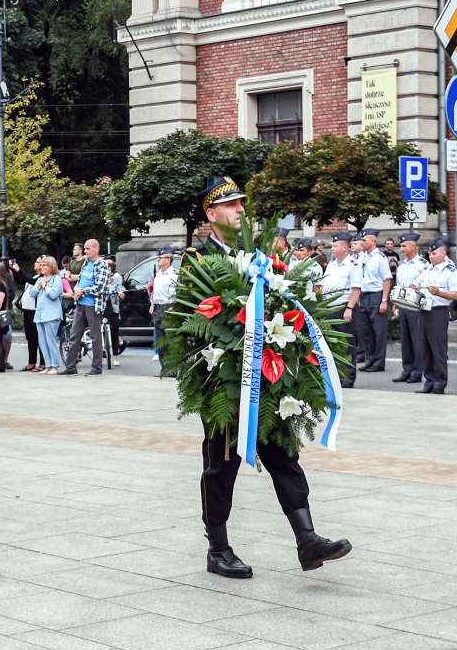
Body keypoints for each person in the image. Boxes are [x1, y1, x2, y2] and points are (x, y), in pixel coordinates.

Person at [191, 176, 350, 578]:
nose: (241, 210)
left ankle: (307, 540)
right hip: (224, 384)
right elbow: (189, 324)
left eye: (242, 203)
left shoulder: (259, 256)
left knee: (284, 456)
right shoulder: (197, 258)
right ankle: (218, 548)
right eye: (231, 205)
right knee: (220, 468)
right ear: (211, 214)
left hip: (267, 379)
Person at [413, 237, 457, 394]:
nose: (431, 256)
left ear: (443, 253)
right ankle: (429, 382)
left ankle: (440, 383)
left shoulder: (449, 270)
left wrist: (439, 293)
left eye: (434, 253)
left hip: (438, 311)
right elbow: (417, 284)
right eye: (430, 254)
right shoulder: (428, 269)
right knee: (424, 349)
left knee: (438, 349)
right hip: (424, 310)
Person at [60, 239, 109, 376]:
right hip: (81, 304)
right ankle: (70, 366)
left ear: (96, 249)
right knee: (74, 335)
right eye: (85, 249)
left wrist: (83, 291)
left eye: (88, 249)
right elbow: (81, 280)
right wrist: (76, 291)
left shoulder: (102, 264)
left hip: (93, 305)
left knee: (95, 337)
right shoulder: (86, 263)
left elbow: (101, 287)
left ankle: (97, 367)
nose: (85, 251)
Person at [321, 233, 361, 388]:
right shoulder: (331, 265)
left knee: (347, 344)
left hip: (344, 307)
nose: (332, 248)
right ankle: (336, 375)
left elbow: (356, 289)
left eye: (335, 246)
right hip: (329, 308)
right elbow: (324, 287)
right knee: (332, 344)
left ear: (345, 247)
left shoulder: (353, 265)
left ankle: (349, 377)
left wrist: (349, 308)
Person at [392, 233, 429, 384]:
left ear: (413, 246)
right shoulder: (403, 265)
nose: (401, 249)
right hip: (403, 305)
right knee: (405, 339)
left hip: (416, 306)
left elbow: (424, 285)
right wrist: (395, 303)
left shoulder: (422, 264)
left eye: (404, 246)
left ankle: (417, 372)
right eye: (401, 246)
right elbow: (399, 286)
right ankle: (407, 369)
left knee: (417, 339)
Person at [355, 228, 392, 372]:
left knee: (378, 331)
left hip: (376, 296)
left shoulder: (380, 258)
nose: (362, 242)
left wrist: (384, 300)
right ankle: (370, 360)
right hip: (364, 296)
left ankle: (379, 362)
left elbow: (387, 279)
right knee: (367, 331)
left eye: (364, 240)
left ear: (373, 241)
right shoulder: (363, 257)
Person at [28, 256, 64, 374]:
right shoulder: (40, 279)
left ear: (51, 266)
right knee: (42, 341)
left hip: (52, 314)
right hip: (40, 315)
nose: (41, 267)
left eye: (44, 265)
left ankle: (56, 365)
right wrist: (39, 285)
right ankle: (48, 365)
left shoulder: (57, 279)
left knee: (51, 340)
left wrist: (45, 285)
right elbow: (32, 293)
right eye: (41, 265)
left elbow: (54, 294)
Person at [10, 258, 44, 371]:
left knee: (38, 337)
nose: (35, 263)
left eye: (38, 262)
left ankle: (43, 363)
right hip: (28, 310)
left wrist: (19, 270)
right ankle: (31, 361)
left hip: (36, 310)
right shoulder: (35, 276)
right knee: (30, 337)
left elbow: (28, 279)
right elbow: (21, 280)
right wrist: (15, 271)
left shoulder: (42, 278)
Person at [150, 247, 179, 369]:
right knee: (160, 340)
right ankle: (164, 368)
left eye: (160, 257)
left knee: (170, 340)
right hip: (158, 307)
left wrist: (175, 306)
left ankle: (173, 368)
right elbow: (155, 291)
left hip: (169, 307)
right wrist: (152, 304)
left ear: (168, 259)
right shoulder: (158, 275)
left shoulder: (175, 274)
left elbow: (178, 292)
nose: (158, 259)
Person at [105, 259, 126, 367]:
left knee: (114, 333)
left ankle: (115, 357)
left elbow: (121, 293)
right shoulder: (100, 281)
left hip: (113, 309)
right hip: (102, 309)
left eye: (108, 270)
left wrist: (120, 295)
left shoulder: (115, 281)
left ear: (112, 272)